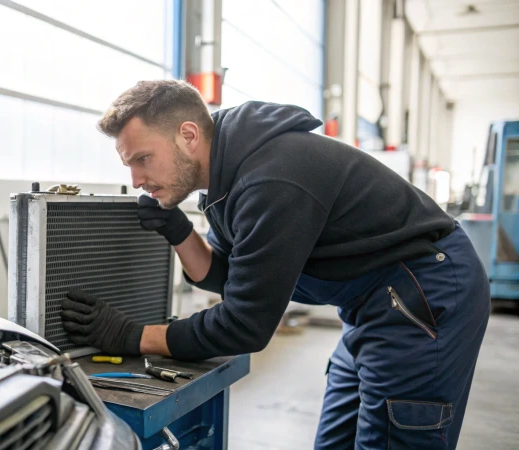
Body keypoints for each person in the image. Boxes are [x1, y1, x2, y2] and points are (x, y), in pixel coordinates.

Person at [59, 80, 490, 449]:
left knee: (395, 438)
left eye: (142, 159)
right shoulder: (226, 178)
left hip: (424, 292)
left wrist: (132, 337)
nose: (136, 179)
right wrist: (179, 232)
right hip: (370, 304)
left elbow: (245, 324)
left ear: (188, 136)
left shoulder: (271, 177)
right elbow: (228, 276)